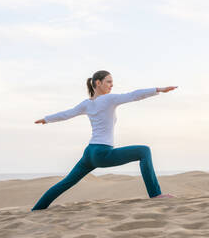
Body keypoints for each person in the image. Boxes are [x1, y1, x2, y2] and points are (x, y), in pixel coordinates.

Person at [31, 70, 178, 211]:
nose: (111, 85)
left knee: (66, 183)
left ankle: (37, 208)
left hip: (89, 154)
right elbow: (133, 95)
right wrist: (159, 89)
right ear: (98, 83)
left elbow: (67, 114)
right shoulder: (109, 99)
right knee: (144, 151)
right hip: (102, 153)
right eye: (109, 82)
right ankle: (155, 194)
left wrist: (46, 119)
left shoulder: (86, 103)